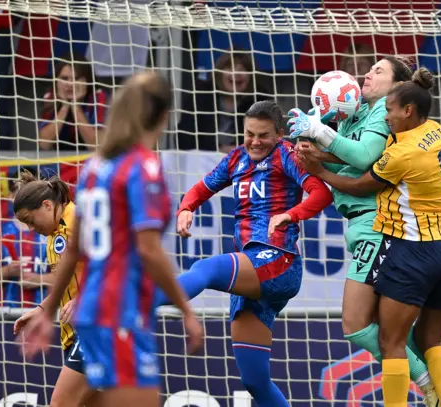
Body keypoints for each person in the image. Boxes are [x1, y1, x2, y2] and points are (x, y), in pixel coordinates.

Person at [289, 58, 441, 407]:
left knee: (362, 325)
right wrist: (320, 144)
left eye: (378, 71)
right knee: (417, 331)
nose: (367, 75)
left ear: (401, 100)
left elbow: (363, 164)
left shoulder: (391, 135)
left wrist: (320, 140)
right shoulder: (428, 128)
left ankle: (426, 384)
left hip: (390, 231)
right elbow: (350, 157)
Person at [18, 71, 204, 407]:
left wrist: (48, 309)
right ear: (163, 116)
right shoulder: (143, 167)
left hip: (93, 313)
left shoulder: (95, 167)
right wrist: (186, 309)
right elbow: (148, 248)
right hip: (120, 311)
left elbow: (75, 249)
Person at [157, 100, 333, 406]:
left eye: (263, 135)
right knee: (255, 382)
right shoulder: (237, 158)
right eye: (249, 133)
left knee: (206, 269)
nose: (254, 141)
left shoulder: (287, 156)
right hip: (253, 275)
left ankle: (130, 304)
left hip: (278, 260)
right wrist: (186, 208)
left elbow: (321, 193)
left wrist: (291, 215)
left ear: (280, 134)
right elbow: (201, 188)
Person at [11, 169, 98, 407]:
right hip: (73, 332)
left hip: (96, 324)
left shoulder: (81, 221)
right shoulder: (53, 237)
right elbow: (66, 285)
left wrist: (85, 299)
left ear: (47, 205)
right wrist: (41, 309)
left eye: (30, 220)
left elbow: (115, 265)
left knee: (60, 404)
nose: (30, 229)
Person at [0, 166, 49, 307]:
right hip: (3, 314)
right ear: (11, 197)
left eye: (31, 192)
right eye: (20, 192)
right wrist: (7, 271)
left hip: (44, 313)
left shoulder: (50, 229)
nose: (26, 198)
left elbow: (68, 275)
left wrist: (39, 279)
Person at [177, 51, 270, 152]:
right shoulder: (200, 97)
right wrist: (219, 150)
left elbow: (268, 142)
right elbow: (184, 139)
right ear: (219, 73)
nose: (236, 73)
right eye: (230, 68)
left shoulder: (260, 104)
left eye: (243, 70)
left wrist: (239, 150)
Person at [38, 53, 108, 151]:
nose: (70, 84)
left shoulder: (98, 97)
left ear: (87, 80)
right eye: (64, 78)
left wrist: (75, 106)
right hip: (61, 159)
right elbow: (44, 144)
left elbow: (96, 146)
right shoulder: (51, 96)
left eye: (76, 78)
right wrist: (65, 107)